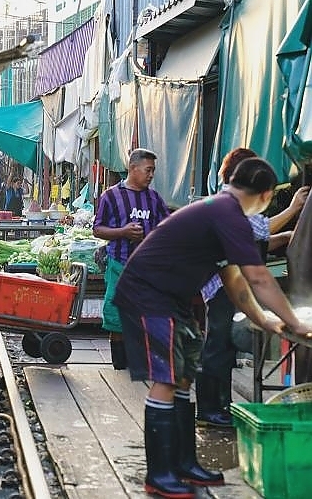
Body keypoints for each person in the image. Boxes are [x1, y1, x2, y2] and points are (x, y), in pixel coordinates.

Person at [113, 157, 312, 498]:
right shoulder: (227, 212)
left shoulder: (224, 211)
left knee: (183, 377)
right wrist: (295, 323)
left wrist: (264, 319)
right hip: (148, 293)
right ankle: (159, 475)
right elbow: (258, 277)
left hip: (171, 297)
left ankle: (184, 464)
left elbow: (233, 277)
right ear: (264, 195)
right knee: (165, 380)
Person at [196, 148, 310, 427]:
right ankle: (210, 410)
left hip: (225, 285)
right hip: (223, 286)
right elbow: (256, 231)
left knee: (221, 347)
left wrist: (283, 237)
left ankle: (217, 407)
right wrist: (294, 209)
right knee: (217, 348)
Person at [93, 148, 170, 370]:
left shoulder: (154, 199)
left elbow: (165, 227)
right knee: (117, 316)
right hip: (118, 264)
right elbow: (97, 229)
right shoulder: (110, 196)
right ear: (133, 168)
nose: (151, 175)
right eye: (148, 170)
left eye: (153, 171)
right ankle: (119, 363)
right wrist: (123, 232)